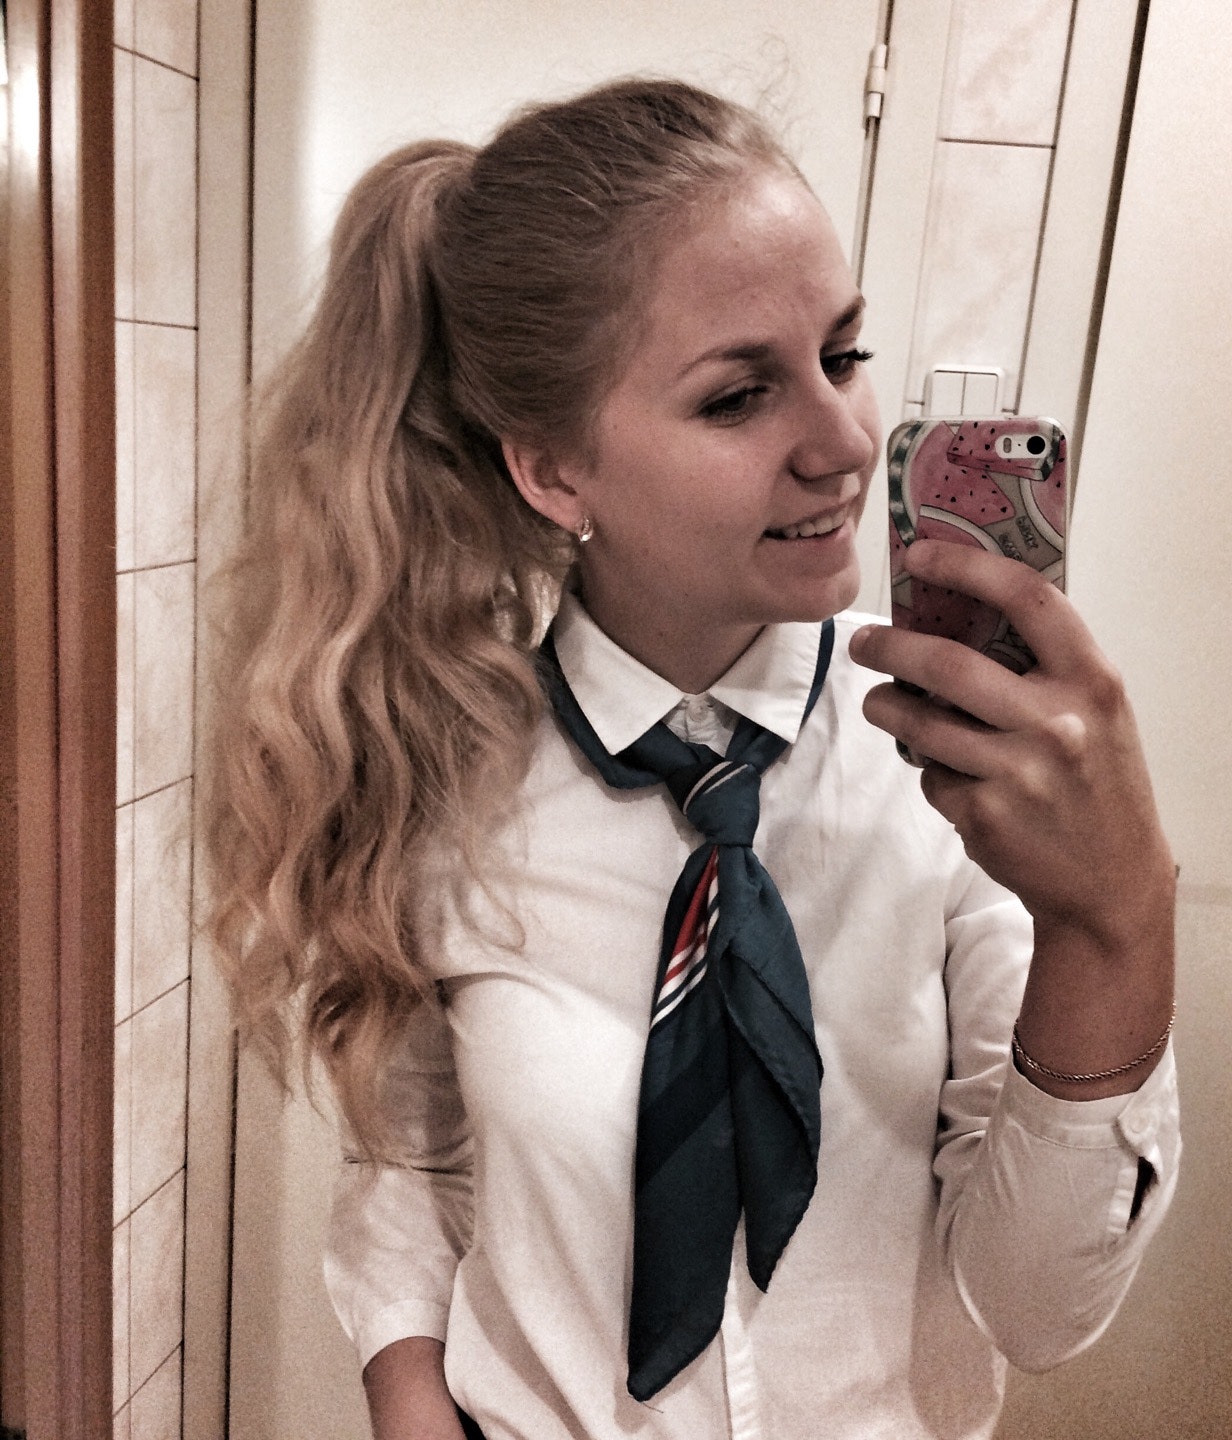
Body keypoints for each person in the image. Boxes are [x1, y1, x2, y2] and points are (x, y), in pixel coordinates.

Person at [211, 78, 1180, 1440]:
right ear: (555, 472)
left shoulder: (965, 772)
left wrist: (1115, 922)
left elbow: (1037, 1310)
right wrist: (408, 1404)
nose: (847, 443)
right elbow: (415, 1172)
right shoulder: (444, 773)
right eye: (739, 396)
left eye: (844, 354)